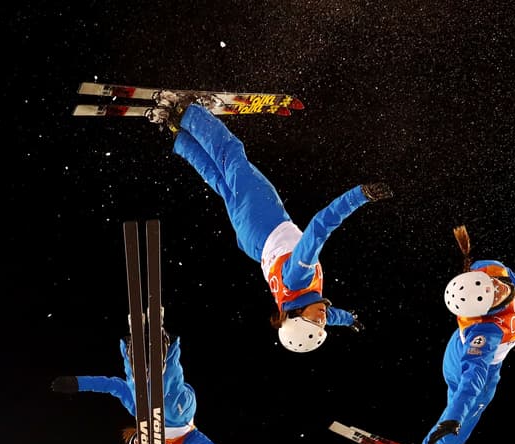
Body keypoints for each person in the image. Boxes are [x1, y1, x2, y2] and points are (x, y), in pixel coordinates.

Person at [150, 92, 391, 353]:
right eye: (321, 325)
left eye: (315, 321)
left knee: (233, 157)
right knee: (222, 180)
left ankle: (188, 112)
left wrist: (360, 196)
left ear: (297, 314)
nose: (322, 319)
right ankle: (179, 136)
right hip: (253, 242)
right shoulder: (300, 303)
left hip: (263, 220)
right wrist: (349, 319)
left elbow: (320, 227)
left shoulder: (299, 277)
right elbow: (329, 316)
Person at [406, 225, 515, 444]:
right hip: (471, 365)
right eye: (494, 295)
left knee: (459, 406)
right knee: (468, 407)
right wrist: (454, 419)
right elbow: (474, 376)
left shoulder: (491, 271)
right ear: (484, 309)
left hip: (458, 353)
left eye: (495, 286)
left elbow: (513, 279)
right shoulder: (486, 331)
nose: (500, 290)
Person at [51, 330, 260, 444]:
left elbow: (112, 386)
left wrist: (78, 383)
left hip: (150, 390)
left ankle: (132, 351)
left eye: (138, 442)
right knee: (165, 401)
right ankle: (167, 350)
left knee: (134, 393)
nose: (145, 441)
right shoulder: (183, 441)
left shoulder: (137, 410)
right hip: (180, 408)